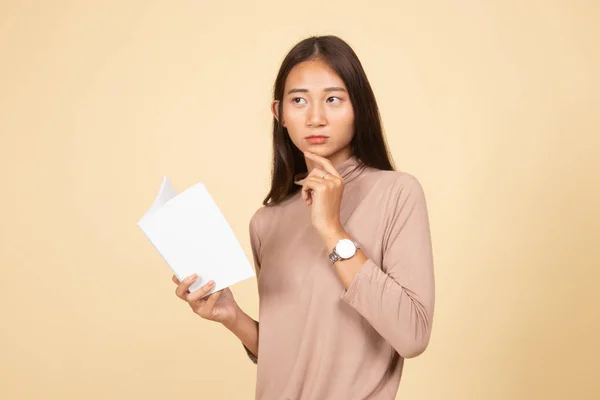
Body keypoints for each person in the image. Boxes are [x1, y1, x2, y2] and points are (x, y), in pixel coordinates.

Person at [172, 35, 435, 400]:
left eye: (333, 99)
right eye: (299, 100)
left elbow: (412, 335)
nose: (315, 117)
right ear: (279, 114)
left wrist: (331, 229)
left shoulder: (396, 193)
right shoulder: (267, 222)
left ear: (359, 107)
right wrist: (232, 316)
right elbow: (292, 353)